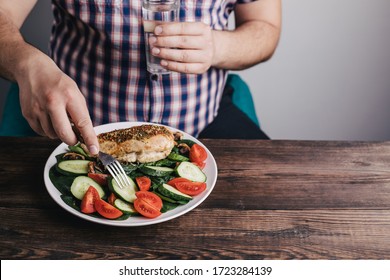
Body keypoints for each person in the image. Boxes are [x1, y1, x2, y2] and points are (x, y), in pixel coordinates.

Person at [0, 0, 281, 155]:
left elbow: (266, 27)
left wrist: (220, 46)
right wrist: (26, 64)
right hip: (82, 136)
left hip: (204, 128)